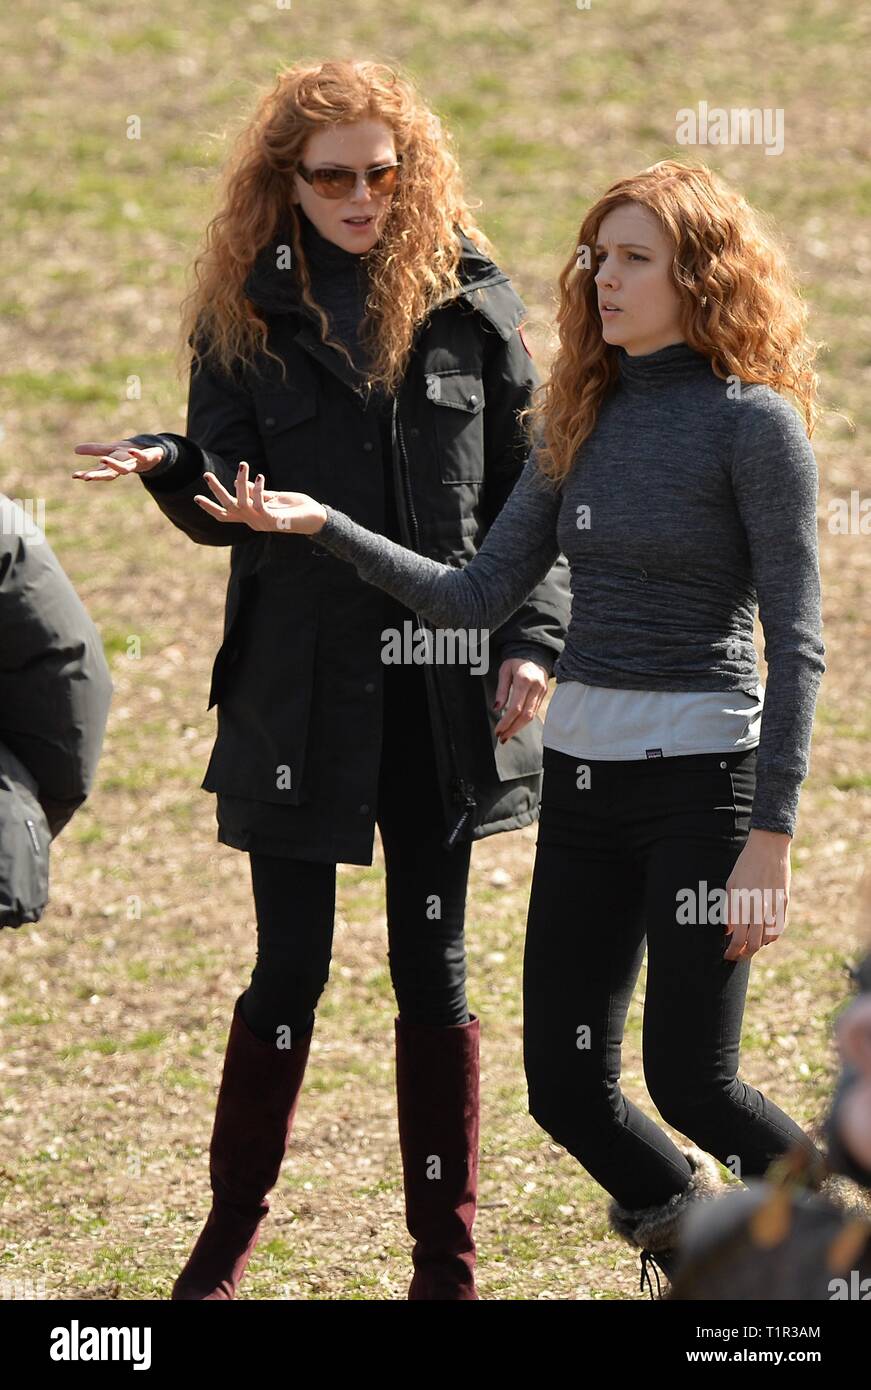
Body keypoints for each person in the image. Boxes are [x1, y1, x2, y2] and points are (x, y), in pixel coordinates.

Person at [200, 160, 834, 1296]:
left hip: (705, 785)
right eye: (598, 254)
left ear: (703, 275)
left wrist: (769, 839)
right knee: (565, 1085)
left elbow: (798, 641)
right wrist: (321, 523)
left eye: (636, 256)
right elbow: (472, 594)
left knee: (693, 1084)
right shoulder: (579, 422)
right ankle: (701, 1237)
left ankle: (839, 1254)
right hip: (585, 791)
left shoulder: (754, 427)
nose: (604, 277)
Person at [71, 58, 570, 1300]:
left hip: (443, 693)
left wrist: (533, 641)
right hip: (296, 694)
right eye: (333, 176)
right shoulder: (246, 315)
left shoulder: (476, 303)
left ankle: (444, 1262)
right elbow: (220, 506)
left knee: (433, 975)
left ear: (413, 175)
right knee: (287, 970)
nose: (361, 196)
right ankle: (228, 1238)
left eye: (382, 174)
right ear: (285, 183)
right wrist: (172, 462)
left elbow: (537, 498)